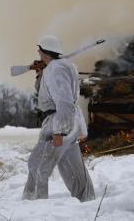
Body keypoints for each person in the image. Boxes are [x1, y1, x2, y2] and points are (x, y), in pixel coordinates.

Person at [23, 35, 95, 202]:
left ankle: (33, 206)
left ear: (43, 52)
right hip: (66, 121)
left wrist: (59, 132)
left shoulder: (56, 69)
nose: (38, 53)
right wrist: (40, 73)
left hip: (59, 121)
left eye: (39, 50)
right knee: (74, 169)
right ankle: (87, 200)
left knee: (38, 166)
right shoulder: (59, 67)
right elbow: (46, 92)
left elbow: (64, 100)